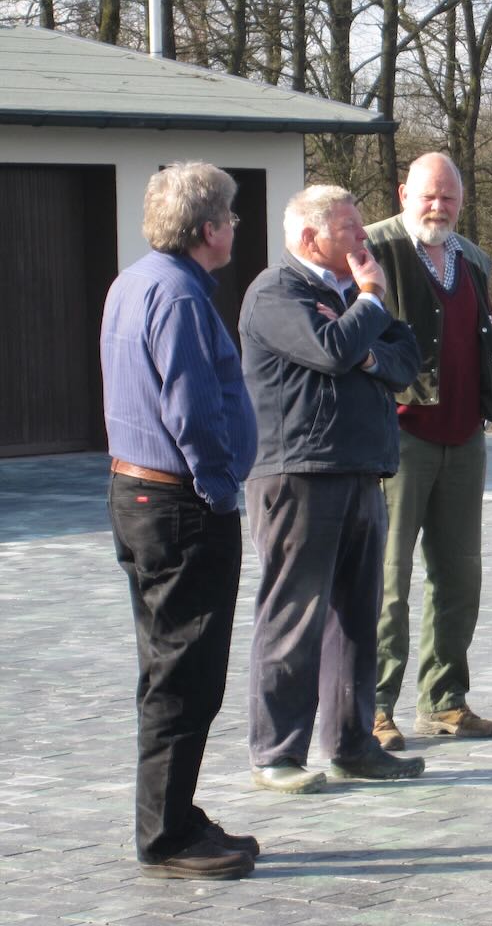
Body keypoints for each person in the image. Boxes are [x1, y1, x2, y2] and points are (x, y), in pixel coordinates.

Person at [101, 162, 259, 879]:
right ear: (208, 228)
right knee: (187, 673)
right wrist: (220, 490)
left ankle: (176, 815)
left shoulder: (134, 282)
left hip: (137, 494)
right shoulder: (181, 297)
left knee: (168, 666)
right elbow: (192, 409)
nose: (235, 228)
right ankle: (166, 835)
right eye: (230, 217)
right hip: (179, 504)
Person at [239, 186, 426, 793]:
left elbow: (406, 357)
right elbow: (330, 350)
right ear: (308, 236)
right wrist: (369, 303)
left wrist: (366, 347)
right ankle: (277, 754)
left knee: (356, 618)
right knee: (294, 616)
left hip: (362, 470)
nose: (364, 239)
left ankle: (353, 745)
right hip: (299, 474)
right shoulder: (277, 293)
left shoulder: (347, 296)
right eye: (350, 228)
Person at [365, 152, 492, 749]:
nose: (438, 207)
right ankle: (373, 708)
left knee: (459, 577)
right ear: (404, 193)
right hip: (398, 435)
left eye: (449, 197)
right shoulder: (371, 249)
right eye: (428, 195)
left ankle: (445, 700)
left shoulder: (473, 259)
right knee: (388, 582)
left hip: (465, 434)